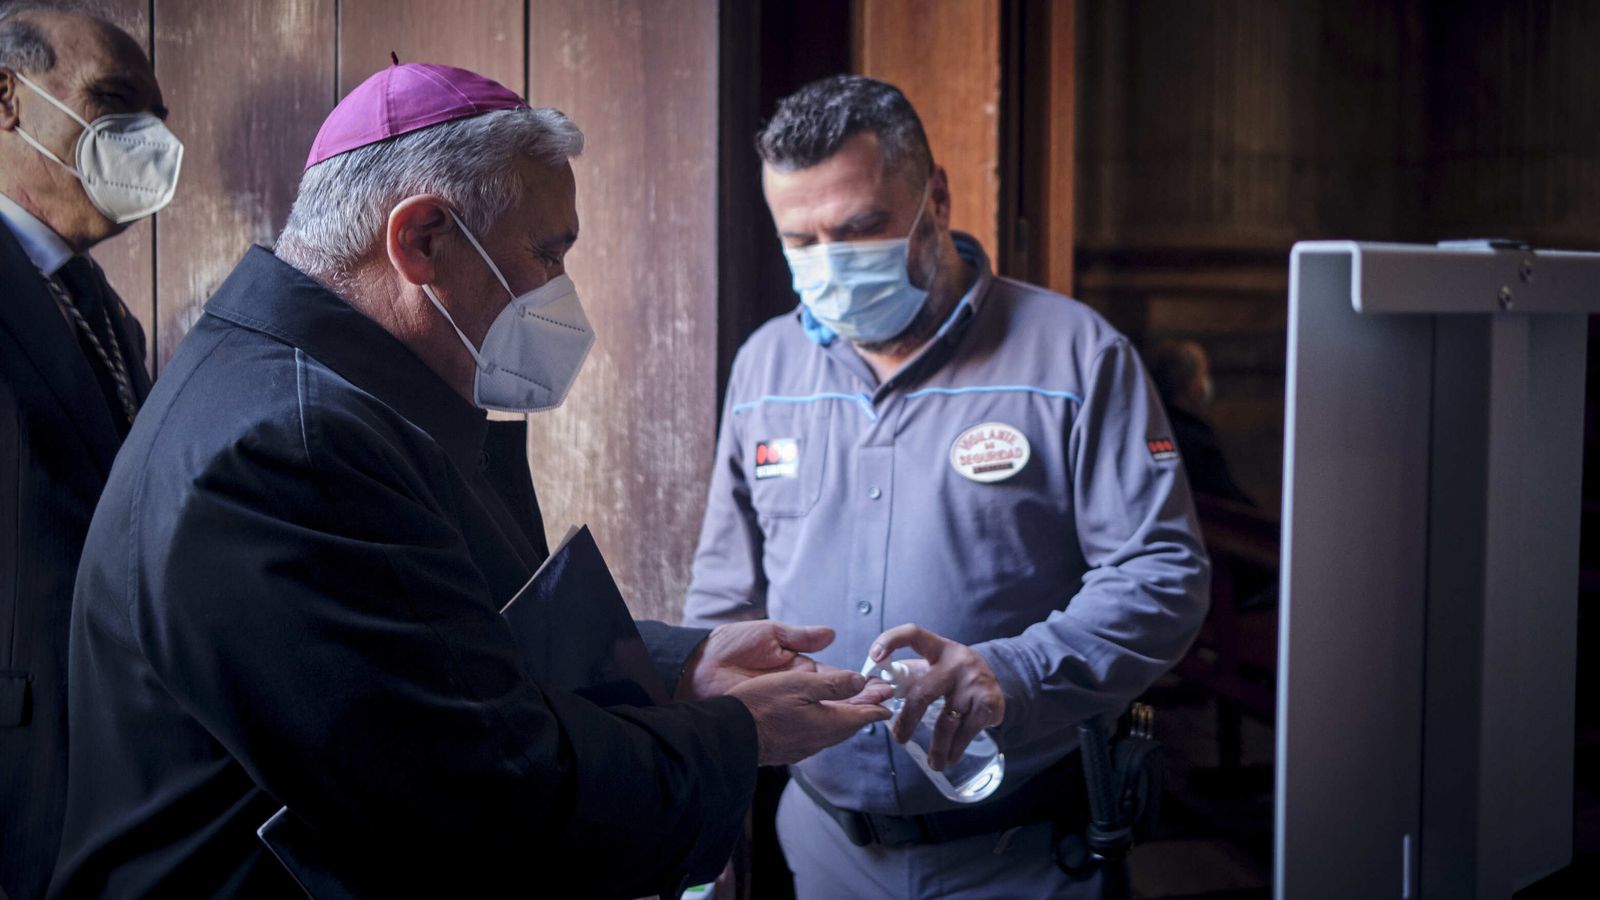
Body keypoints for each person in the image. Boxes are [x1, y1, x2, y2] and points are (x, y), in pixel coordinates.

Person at [49, 61, 889, 899]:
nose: (561, 290)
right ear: (422, 240)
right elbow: (483, 792)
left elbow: (440, 642)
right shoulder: (291, 447)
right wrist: (734, 736)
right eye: (547, 251)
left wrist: (677, 664)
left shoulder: (325, 389)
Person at [683, 75, 1211, 898]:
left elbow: (1162, 573)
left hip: (1024, 854)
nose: (831, 265)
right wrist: (702, 778)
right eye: (802, 240)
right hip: (824, 849)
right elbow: (724, 593)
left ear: (936, 195)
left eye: (860, 229)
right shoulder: (765, 367)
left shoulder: (1076, 356)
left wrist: (1018, 671)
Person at [0, 4, 180, 896]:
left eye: (156, 117)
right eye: (113, 101)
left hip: (112, 776)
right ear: (7, 97)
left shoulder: (106, 312)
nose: (143, 139)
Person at [1146, 338, 1254, 506]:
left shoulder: (1152, 425)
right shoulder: (1196, 441)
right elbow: (1227, 497)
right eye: (1203, 374)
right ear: (1190, 384)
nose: (1206, 384)